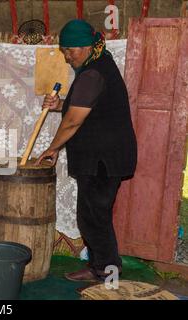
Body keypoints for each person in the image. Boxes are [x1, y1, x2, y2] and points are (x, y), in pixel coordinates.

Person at [35, 19, 137, 282]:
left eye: (71, 50)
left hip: (103, 158)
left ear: (88, 46)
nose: (67, 57)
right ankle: (99, 267)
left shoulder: (94, 72)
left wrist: (53, 147)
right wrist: (60, 105)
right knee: (92, 216)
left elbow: (73, 121)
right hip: (101, 156)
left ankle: (107, 274)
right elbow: (85, 106)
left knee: (94, 217)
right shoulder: (97, 64)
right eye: (65, 51)